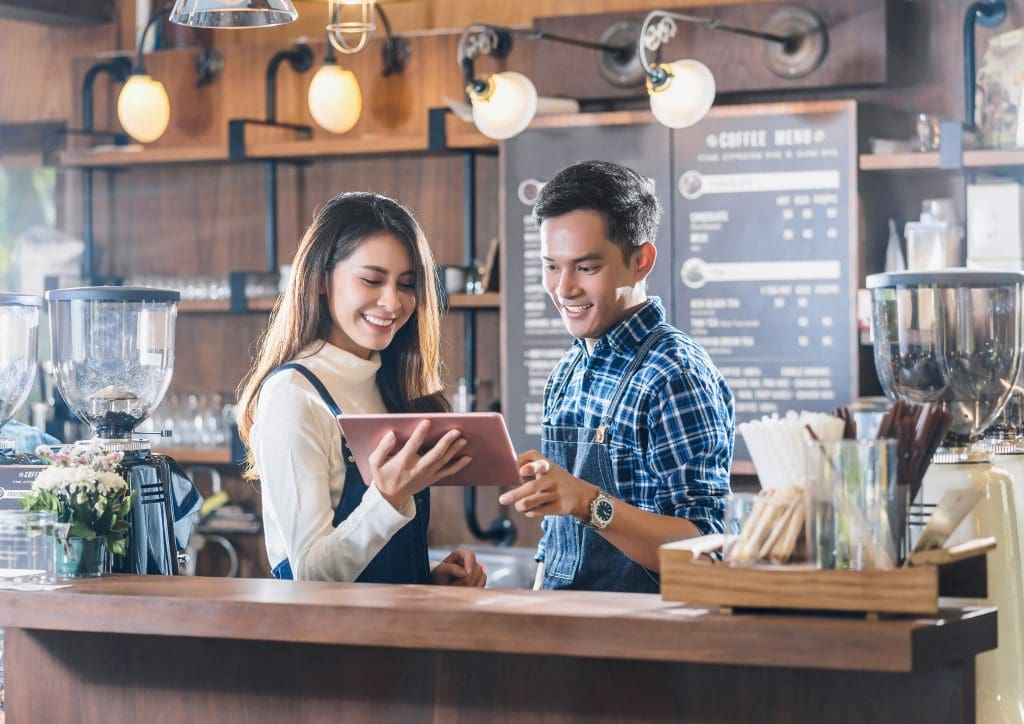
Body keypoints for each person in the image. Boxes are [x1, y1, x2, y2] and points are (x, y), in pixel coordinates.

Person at [499, 160, 734, 593]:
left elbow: (707, 547)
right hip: (561, 624)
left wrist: (588, 502)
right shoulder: (567, 371)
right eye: (551, 266)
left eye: (586, 268)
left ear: (641, 261)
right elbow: (556, 543)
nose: (564, 289)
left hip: (642, 630)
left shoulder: (674, 373)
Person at [237, 192, 485, 587]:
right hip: (330, 630)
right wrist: (387, 498)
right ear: (320, 280)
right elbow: (311, 576)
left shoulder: (390, 386)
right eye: (372, 280)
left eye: (407, 284)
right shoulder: (292, 395)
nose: (392, 302)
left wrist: (425, 579)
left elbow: (373, 564)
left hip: (397, 625)